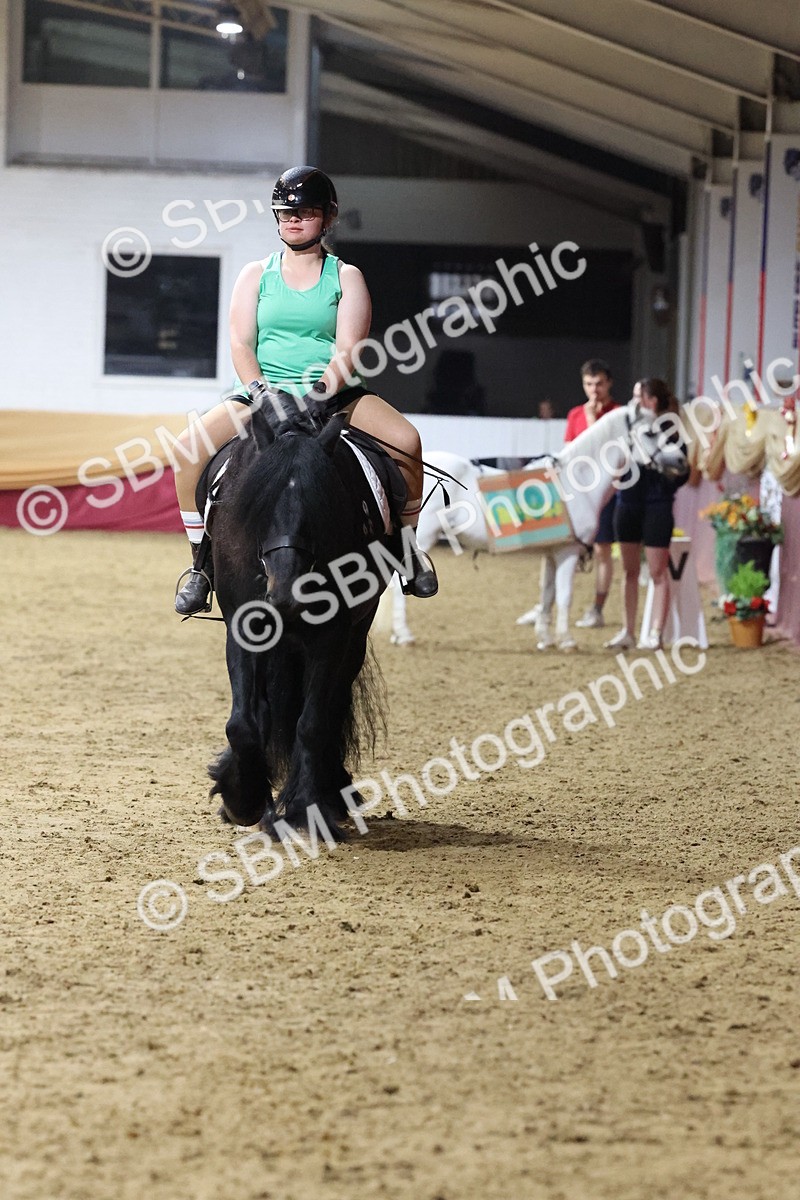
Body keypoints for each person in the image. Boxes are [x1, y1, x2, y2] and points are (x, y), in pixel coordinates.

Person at [172, 165, 437, 615]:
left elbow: (349, 348)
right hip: (261, 393)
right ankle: (199, 565)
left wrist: (318, 393)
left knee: (408, 442)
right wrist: (259, 391)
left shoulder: (345, 276)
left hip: (334, 397)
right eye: (285, 212)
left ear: (327, 217)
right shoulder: (255, 274)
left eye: (305, 212)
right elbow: (240, 342)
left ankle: (408, 550)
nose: (293, 220)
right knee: (185, 448)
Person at [604, 378, 690, 651]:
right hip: (628, 503)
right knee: (629, 571)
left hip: (657, 506)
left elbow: (682, 474)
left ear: (650, 402)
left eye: (637, 397)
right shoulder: (629, 432)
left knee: (657, 572)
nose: (633, 403)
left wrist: (662, 469)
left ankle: (655, 632)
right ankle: (627, 630)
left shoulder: (673, 437)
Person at [565, 359, 619, 628]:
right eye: (589, 384)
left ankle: (597, 609)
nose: (594, 389)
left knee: (602, 551)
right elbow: (568, 452)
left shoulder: (617, 414)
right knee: (560, 550)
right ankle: (549, 604)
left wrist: (592, 419)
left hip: (603, 494)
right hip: (575, 494)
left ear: (608, 383)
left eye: (599, 383)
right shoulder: (575, 414)